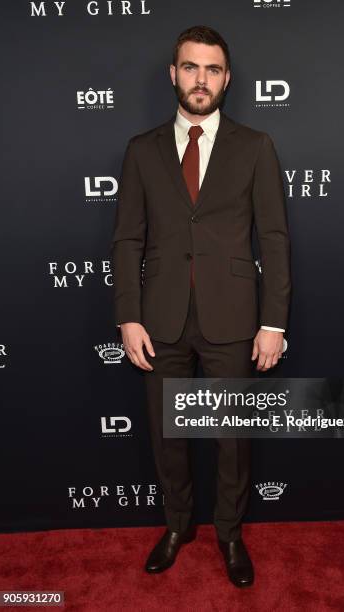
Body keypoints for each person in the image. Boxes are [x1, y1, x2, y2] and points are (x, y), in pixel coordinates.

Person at [110, 24, 291, 588]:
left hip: (233, 318)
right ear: (173, 74)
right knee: (167, 436)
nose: (201, 80)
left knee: (229, 439)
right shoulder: (141, 150)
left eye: (212, 69)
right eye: (190, 67)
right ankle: (177, 525)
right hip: (160, 319)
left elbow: (275, 238)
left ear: (227, 78)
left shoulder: (255, 146)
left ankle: (230, 534)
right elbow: (127, 240)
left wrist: (273, 323)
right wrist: (128, 314)